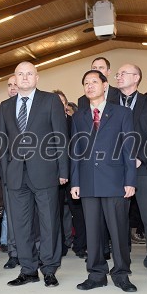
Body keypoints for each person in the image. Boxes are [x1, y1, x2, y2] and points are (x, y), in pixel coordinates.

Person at [0, 61, 68, 287]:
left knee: (49, 223)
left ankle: (49, 269)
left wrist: (63, 170)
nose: (25, 77)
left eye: (29, 74)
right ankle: (28, 270)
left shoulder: (50, 101)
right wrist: (4, 173)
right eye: (20, 74)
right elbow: (1, 142)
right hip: (16, 175)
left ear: (37, 78)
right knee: (20, 224)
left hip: (46, 172)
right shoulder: (5, 106)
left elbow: (61, 137)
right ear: (15, 79)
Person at [71, 69, 137, 292]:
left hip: (115, 181)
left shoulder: (121, 113)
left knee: (118, 231)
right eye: (86, 83)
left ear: (105, 85)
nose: (89, 86)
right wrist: (75, 182)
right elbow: (75, 151)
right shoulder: (78, 117)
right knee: (93, 232)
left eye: (94, 82)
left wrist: (130, 181)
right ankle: (96, 274)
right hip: (88, 182)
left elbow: (129, 149)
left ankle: (121, 274)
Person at [112, 64, 147, 279]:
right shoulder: (109, 103)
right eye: (118, 73)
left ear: (136, 78)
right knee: (118, 217)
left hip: (144, 167)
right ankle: (122, 261)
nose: (119, 76)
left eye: (123, 73)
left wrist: (140, 157)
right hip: (115, 169)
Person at [54, 89, 87, 259]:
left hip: (74, 172)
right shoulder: (47, 123)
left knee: (78, 211)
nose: (59, 105)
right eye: (55, 102)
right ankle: (60, 247)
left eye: (62, 102)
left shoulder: (75, 121)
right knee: (55, 212)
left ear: (67, 105)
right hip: (55, 175)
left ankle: (80, 246)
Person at [0, 75, 20, 269]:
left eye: (16, 84)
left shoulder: (37, 105)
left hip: (34, 171)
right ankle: (14, 253)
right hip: (9, 170)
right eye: (10, 85)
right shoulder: (2, 109)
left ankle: (33, 251)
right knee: (11, 215)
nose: (13, 88)